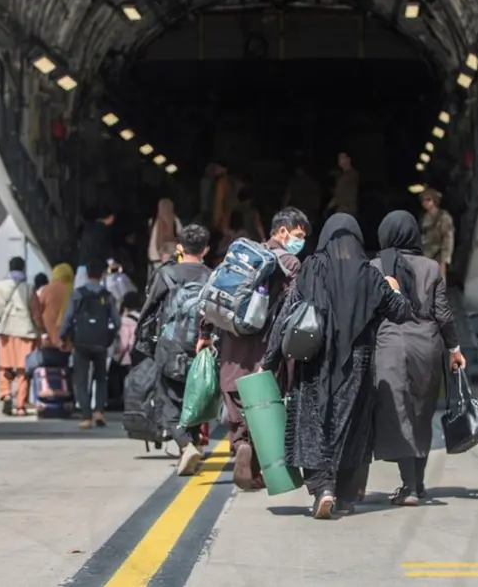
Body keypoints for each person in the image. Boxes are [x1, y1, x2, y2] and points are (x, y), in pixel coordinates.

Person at [261, 213, 411, 519]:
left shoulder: (312, 269)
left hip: (315, 362)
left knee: (311, 426)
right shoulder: (370, 275)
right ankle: (342, 495)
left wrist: (271, 359)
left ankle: (321, 488)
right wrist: (393, 288)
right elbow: (401, 313)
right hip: (357, 365)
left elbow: (288, 315)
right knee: (350, 429)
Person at [197, 207, 310, 490]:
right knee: (263, 403)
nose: (299, 241)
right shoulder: (290, 264)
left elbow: (215, 294)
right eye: (297, 234)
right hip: (264, 347)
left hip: (232, 344)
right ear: (282, 231)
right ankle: (255, 459)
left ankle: (240, 445)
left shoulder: (241, 256)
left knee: (234, 396)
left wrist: (205, 333)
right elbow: (290, 310)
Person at [370, 210, 466, 506]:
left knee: (398, 413)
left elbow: (369, 311)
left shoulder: (375, 266)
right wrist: (454, 348)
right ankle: (418, 484)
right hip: (427, 344)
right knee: (421, 413)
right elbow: (443, 314)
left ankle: (409, 486)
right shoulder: (431, 267)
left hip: (390, 343)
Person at [136, 224, 213, 475]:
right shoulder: (213, 276)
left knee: (167, 399)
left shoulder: (166, 274)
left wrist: (143, 341)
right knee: (195, 398)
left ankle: (185, 443)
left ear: (179, 247)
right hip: (203, 347)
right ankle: (190, 447)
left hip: (170, 347)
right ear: (206, 250)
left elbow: (149, 309)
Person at [0, 257, 43, 416]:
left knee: (4, 366)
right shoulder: (29, 288)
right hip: (25, 333)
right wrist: (41, 331)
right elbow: (36, 314)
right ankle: (20, 406)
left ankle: (5, 394)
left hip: (5, 332)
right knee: (23, 370)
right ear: (23, 269)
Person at [59, 261, 119, 429]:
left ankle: (86, 416)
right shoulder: (107, 296)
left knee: (81, 379)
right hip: (100, 343)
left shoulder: (78, 294)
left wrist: (63, 337)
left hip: (81, 342)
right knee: (101, 378)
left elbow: (68, 318)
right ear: (102, 276)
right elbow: (117, 321)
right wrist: (109, 338)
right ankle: (99, 411)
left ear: (86, 275)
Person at [419, 188, 455, 279]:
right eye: (423, 200)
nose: (425, 203)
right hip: (426, 253)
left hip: (438, 254)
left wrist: (446, 257)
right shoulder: (424, 218)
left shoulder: (443, 216)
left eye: (428, 199)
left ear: (435, 200)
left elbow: (448, 237)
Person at [38, 263, 74, 349]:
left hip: (49, 337)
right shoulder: (74, 291)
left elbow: (38, 311)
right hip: (68, 339)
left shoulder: (47, 290)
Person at [76, 210, 116, 288]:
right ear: (110, 217)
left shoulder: (87, 228)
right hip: (94, 270)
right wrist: (111, 261)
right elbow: (103, 246)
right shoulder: (102, 229)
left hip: (82, 266)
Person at [148, 198, 183, 277]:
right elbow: (182, 236)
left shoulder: (154, 221)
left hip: (156, 258)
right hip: (170, 257)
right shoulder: (175, 220)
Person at [326, 151, 359, 218]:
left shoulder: (352, 174)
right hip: (340, 210)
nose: (339, 159)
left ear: (348, 159)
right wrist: (328, 208)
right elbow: (337, 195)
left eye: (342, 157)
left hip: (348, 211)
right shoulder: (341, 176)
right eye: (339, 157)